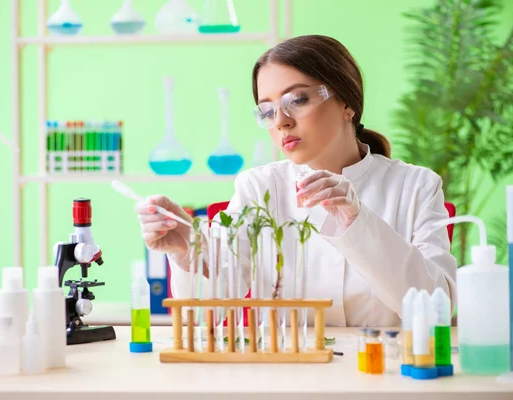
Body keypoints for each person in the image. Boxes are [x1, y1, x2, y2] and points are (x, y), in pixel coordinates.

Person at [135, 35, 457, 327]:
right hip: (285, 376)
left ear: (347, 103)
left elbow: (437, 306)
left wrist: (359, 221)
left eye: (297, 100)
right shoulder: (258, 188)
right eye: (267, 111)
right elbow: (206, 314)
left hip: (383, 371)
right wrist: (187, 252)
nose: (282, 122)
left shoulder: (415, 186)